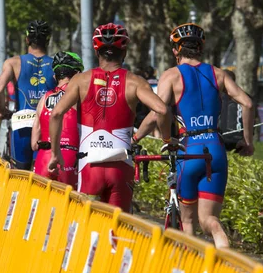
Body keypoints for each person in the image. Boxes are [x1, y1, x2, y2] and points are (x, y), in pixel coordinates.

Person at [136, 23, 253, 248]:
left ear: (175, 50)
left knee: (188, 221)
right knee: (210, 220)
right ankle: (227, 259)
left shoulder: (171, 75)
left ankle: (190, 270)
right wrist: (247, 141)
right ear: (201, 48)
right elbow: (247, 103)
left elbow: (156, 113)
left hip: (189, 151)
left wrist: (137, 139)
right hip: (215, 151)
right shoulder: (218, 73)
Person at [48, 23, 172, 212]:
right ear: (124, 52)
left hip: (89, 166)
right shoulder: (134, 81)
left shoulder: (81, 80)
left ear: (96, 52)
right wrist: (167, 140)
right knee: (117, 230)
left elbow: (56, 113)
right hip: (121, 166)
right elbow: (161, 110)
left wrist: (56, 154)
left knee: (88, 227)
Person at [0, 20, 56, 169]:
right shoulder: (56, 64)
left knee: (20, 175)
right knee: (44, 176)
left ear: (27, 39)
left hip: (22, 122)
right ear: (47, 40)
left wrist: (3, 110)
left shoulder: (13, 62)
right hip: (46, 125)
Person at [31, 52, 83, 186]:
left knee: (41, 203)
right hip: (68, 158)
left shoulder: (43, 99)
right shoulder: (80, 97)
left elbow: (34, 144)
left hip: (43, 158)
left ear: (55, 76)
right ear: (77, 75)